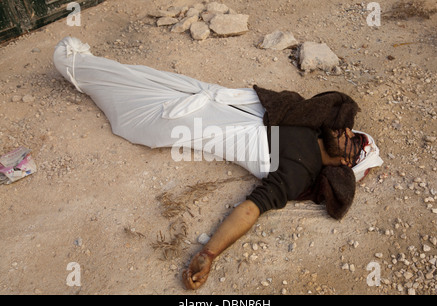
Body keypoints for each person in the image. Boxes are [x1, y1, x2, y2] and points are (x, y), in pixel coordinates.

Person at [53, 37, 383, 291]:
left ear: (343, 164)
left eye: (354, 142)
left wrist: (208, 254)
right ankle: (81, 61)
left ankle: (75, 69)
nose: (348, 132)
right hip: (216, 96)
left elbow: (252, 209)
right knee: (147, 78)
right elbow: (335, 102)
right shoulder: (313, 122)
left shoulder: (299, 172)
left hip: (202, 121)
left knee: (138, 115)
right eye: (354, 132)